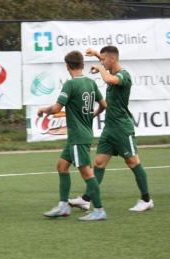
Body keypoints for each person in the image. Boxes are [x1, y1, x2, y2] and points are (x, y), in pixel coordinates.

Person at [68, 46, 154, 212]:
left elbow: (109, 79)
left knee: (133, 162)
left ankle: (146, 199)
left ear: (113, 59)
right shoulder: (111, 67)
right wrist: (96, 55)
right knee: (99, 163)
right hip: (109, 129)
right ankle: (86, 199)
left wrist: (100, 68)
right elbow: (106, 62)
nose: (102, 61)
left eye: (104, 59)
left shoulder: (123, 75)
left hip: (122, 128)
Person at [39, 50, 107, 221]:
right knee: (62, 166)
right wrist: (93, 114)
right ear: (82, 65)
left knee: (87, 173)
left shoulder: (70, 84)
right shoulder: (90, 83)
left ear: (67, 66)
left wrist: (43, 110)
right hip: (80, 135)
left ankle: (99, 210)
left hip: (78, 136)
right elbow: (104, 104)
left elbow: (56, 109)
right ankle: (63, 206)